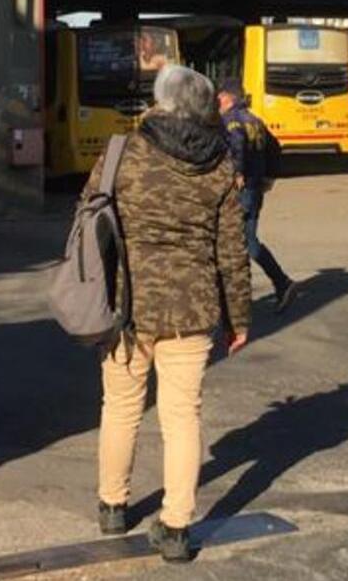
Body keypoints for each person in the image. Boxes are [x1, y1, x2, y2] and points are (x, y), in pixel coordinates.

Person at [91, 66, 251, 564]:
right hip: (193, 309)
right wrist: (239, 317)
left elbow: (89, 218)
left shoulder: (123, 152)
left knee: (120, 408)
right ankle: (177, 527)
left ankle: (113, 505)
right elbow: (232, 248)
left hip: (127, 307)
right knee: (183, 417)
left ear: (160, 102)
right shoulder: (219, 163)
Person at [218, 80, 300, 312]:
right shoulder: (254, 120)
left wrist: (238, 171)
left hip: (241, 189)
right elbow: (275, 147)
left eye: (219, 98)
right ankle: (281, 283)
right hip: (255, 188)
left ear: (227, 98)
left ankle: (238, 298)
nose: (217, 104)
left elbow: (237, 144)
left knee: (232, 242)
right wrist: (269, 176)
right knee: (248, 241)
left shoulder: (230, 121)